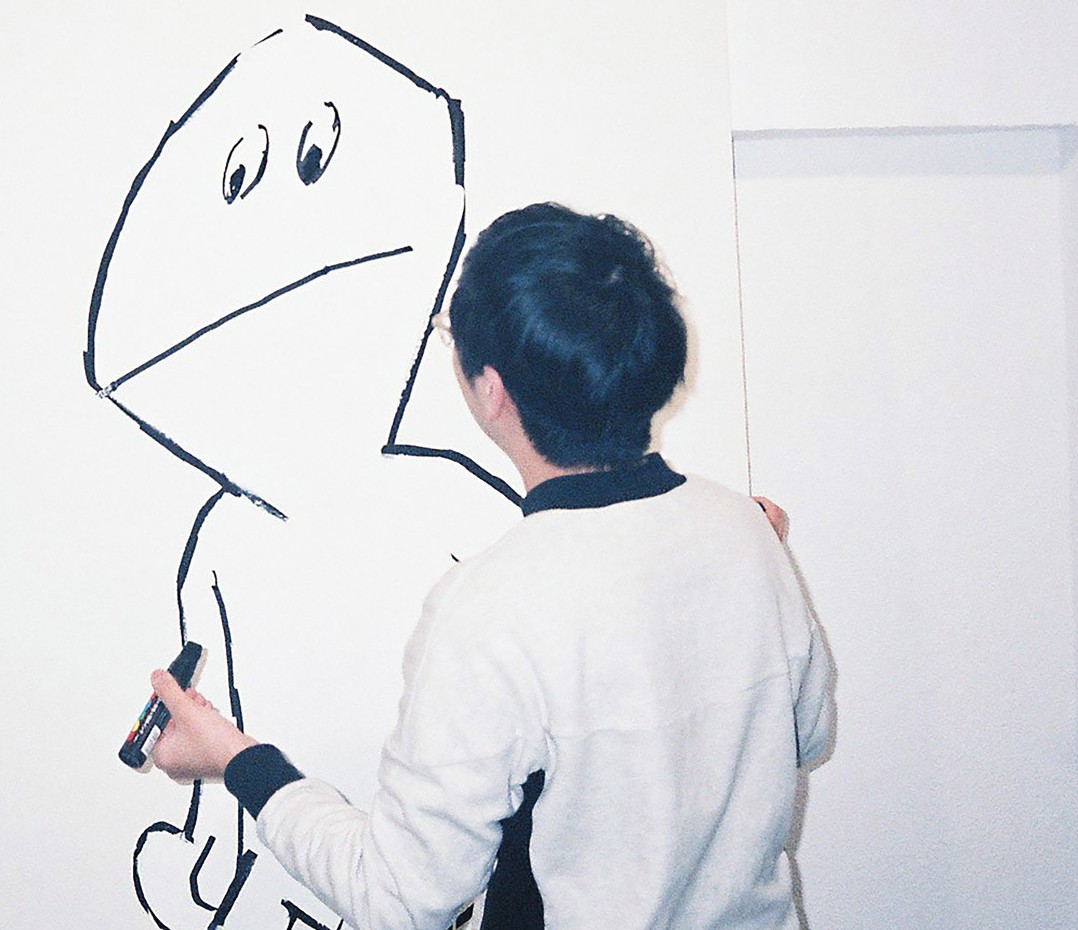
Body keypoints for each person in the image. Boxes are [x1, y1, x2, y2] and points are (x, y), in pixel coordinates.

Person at [146, 202, 833, 930]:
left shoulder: (490, 607)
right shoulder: (745, 530)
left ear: (491, 389)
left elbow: (402, 900)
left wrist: (239, 762)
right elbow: (805, 734)